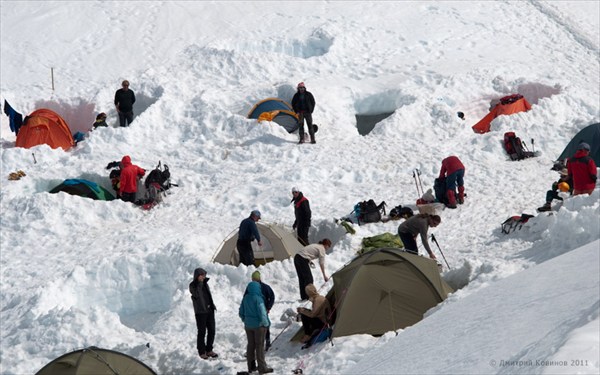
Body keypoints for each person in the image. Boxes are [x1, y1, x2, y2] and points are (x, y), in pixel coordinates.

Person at [239, 280, 273, 374]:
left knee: (250, 345)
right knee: (259, 346)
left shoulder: (245, 298)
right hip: (259, 326)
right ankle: (262, 368)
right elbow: (262, 313)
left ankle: (251, 367)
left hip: (248, 326)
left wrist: (245, 320)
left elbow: (241, 312)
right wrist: (266, 324)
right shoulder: (258, 299)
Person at [244, 270, 275, 359]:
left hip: (261, 311)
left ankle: (266, 342)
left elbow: (271, 297)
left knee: (263, 328)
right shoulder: (252, 287)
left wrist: (268, 307)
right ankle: (264, 345)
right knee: (264, 327)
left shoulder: (263, 287)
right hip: (259, 311)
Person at [189, 267, 219, 360]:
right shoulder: (193, 285)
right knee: (202, 332)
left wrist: (212, 305)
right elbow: (196, 294)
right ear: (197, 276)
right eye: (201, 275)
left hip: (209, 310)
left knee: (212, 330)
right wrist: (199, 283)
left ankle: (209, 349)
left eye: (204, 275)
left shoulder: (206, 284)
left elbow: (208, 296)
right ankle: (201, 351)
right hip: (200, 312)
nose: (203, 276)